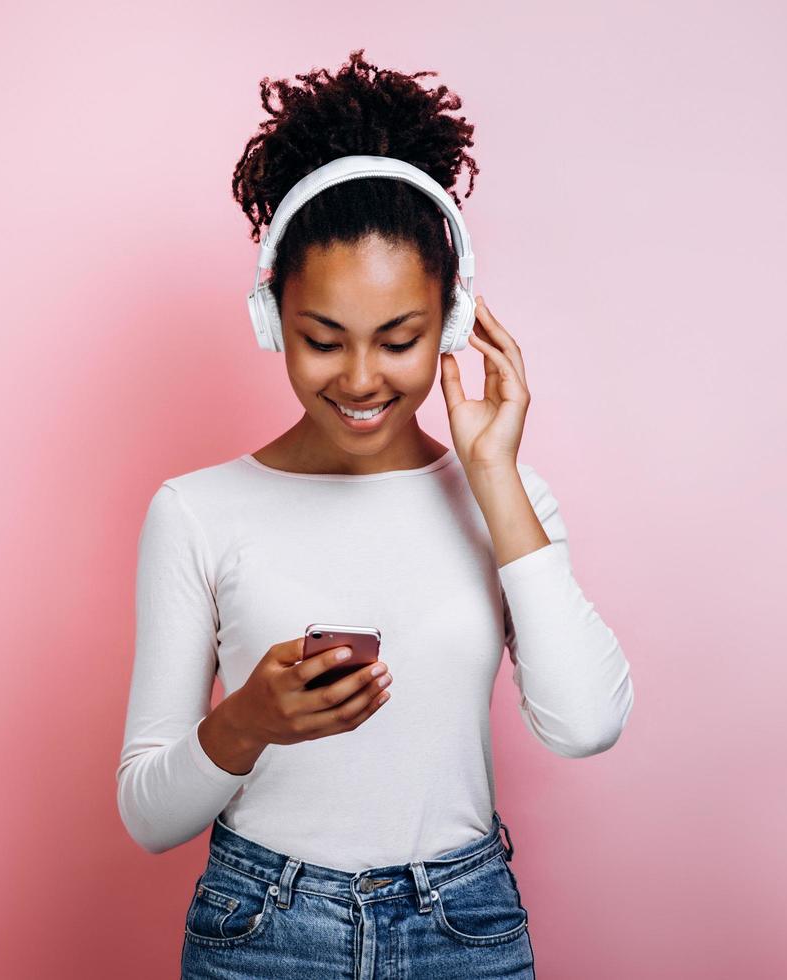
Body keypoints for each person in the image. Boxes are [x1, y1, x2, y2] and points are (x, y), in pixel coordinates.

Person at [115, 49, 635, 979]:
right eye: (322, 340)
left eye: (397, 340)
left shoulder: (503, 501)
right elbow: (148, 816)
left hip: (463, 931)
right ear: (272, 319)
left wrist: (491, 473)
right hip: (260, 933)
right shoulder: (196, 512)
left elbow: (585, 722)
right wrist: (247, 725)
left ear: (450, 321)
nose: (359, 380)